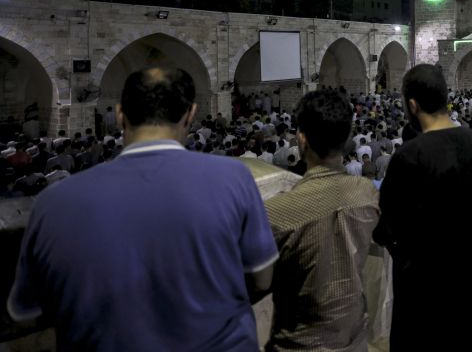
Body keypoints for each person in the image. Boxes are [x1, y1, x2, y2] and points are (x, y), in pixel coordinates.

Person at [6, 67, 278, 351]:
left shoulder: (53, 202)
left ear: (121, 114)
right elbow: (262, 278)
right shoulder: (234, 178)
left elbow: (26, 313)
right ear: (191, 113)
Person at [373, 64, 472, 351]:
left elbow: (386, 228)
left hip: (424, 292)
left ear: (412, 105)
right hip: (467, 284)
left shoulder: (410, 155)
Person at [265, 89, 379, 351]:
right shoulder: (367, 193)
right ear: (347, 137)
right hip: (353, 340)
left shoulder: (277, 212)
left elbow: (256, 284)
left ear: (302, 140)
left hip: (300, 344)